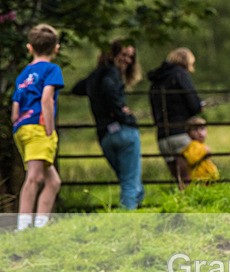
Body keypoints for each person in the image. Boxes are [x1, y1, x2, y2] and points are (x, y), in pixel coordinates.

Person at [72, 39, 144, 209]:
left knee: (130, 181)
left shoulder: (96, 75)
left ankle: (136, 208)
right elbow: (109, 87)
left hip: (105, 135)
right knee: (130, 183)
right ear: (112, 54)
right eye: (123, 55)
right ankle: (127, 222)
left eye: (130, 57)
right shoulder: (112, 75)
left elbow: (77, 89)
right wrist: (120, 112)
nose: (127, 60)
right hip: (124, 132)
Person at [11, 24, 63, 231]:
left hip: (22, 128)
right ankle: (23, 227)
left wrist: (18, 124)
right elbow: (47, 99)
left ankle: (41, 225)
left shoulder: (23, 74)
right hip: (38, 127)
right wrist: (49, 129)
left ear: (29, 48)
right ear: (56, 48)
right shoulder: (52, 69)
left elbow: (15, 107)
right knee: (34, 177)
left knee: (53, 182)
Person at [147, 47, 204, 190]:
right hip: (180, 133)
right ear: (187, 61)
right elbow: (193, 104)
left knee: (178, 180)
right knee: (187, 180)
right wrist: (199, 106)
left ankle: (178, 208)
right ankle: (191, 211)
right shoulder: (180, 75)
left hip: (162, 137)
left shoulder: (155, 81)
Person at [182, 117, 219, 183]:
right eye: (195, 130)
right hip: (199, 180)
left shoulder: (201, 145)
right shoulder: (193, 145)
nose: (199, 132)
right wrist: (204, 151)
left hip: (207, 180)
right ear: (188, 133)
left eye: (202, 129)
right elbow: (192, 159)